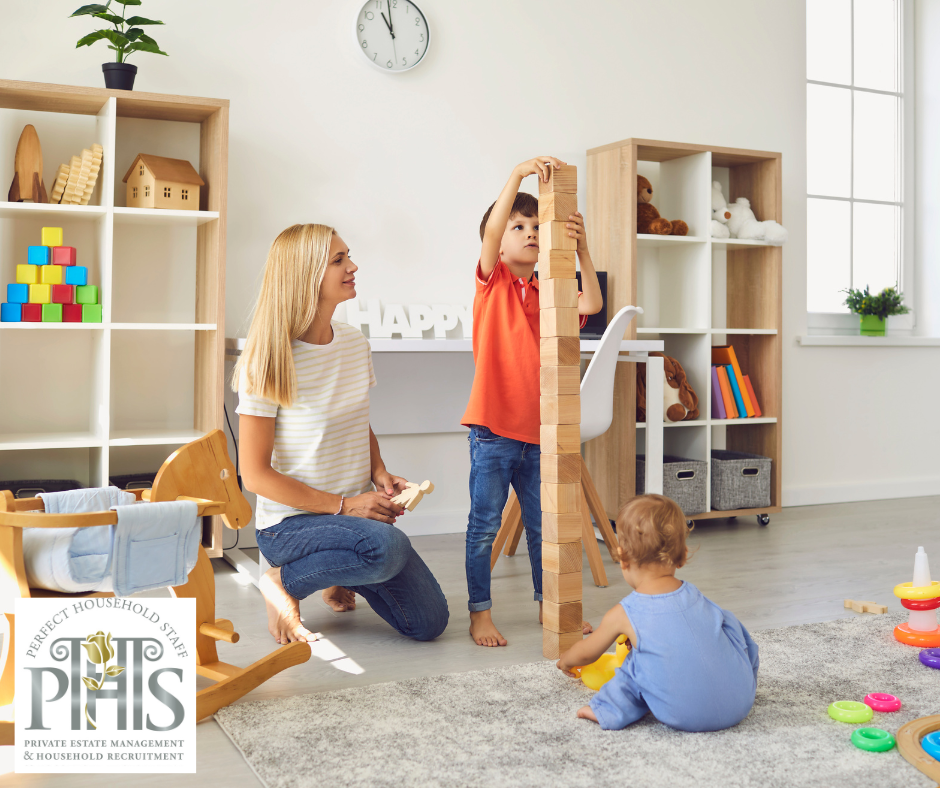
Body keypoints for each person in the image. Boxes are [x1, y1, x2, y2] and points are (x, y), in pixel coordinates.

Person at [234, 224, 449, 645]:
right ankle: (282, 581)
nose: (352, 266)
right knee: (386, 548)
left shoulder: (353, 344)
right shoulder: (268, 360)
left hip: (352, 521)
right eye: (338, 260)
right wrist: (345, 506)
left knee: (428, 624)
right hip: (291, 527)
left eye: (347, 256)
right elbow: (255, 476)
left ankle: (340, 573)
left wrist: (380, 473)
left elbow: (355, 419)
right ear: (305, 275)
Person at [461, 156, 604, 647]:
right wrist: (517, 176)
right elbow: (492, 231)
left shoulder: (550, 292)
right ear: (499, 241)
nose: (528, 232)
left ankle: (550, 604)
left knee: (546, 527)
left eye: (536, 225)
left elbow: (592, 305)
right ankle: (480, 614)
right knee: (483, 526)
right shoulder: (491, 283)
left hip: (541, 432)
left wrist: (580, 251)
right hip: (493, 431)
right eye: (518, 226)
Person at [556, 494, 759, 731]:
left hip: (683, 713)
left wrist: (566, 661)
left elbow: (587, 654)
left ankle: (608, 709)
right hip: (741, 702)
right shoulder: (697, 597)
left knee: (636, 663)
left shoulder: (624, 612)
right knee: (728, 623)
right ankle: (740, 678)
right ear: (682, 556)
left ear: (622, 559)